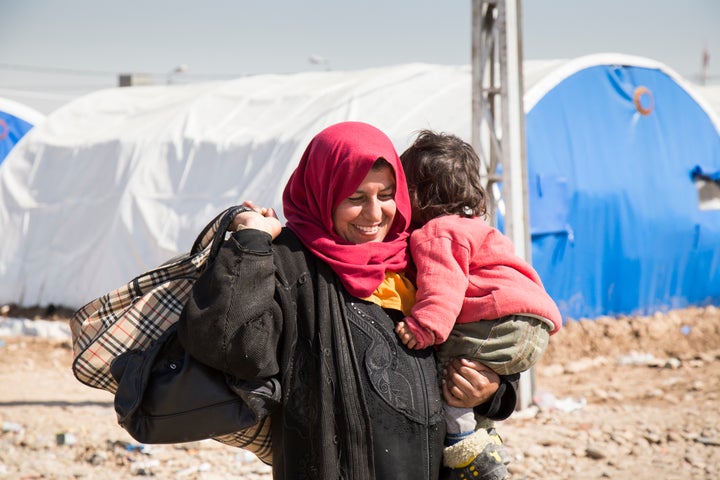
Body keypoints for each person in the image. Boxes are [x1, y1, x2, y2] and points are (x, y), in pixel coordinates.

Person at [178, 121, 519, 480]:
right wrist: (251, 243)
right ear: (322, 193)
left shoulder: (419, 259)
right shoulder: (290, 265)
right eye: (355, 198)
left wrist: (489, 389)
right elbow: (232, 348)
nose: (374, 215)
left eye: (386, 195)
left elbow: (484, 332)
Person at [394, 130, 563, 480]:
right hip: (529, 326)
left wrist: (421, 328)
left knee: (446, 374)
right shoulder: (474, 228)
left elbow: (443, 290)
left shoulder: (437, 233)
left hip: (496, 322)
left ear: (414, 194)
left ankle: (467, 449)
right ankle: (481, 440)